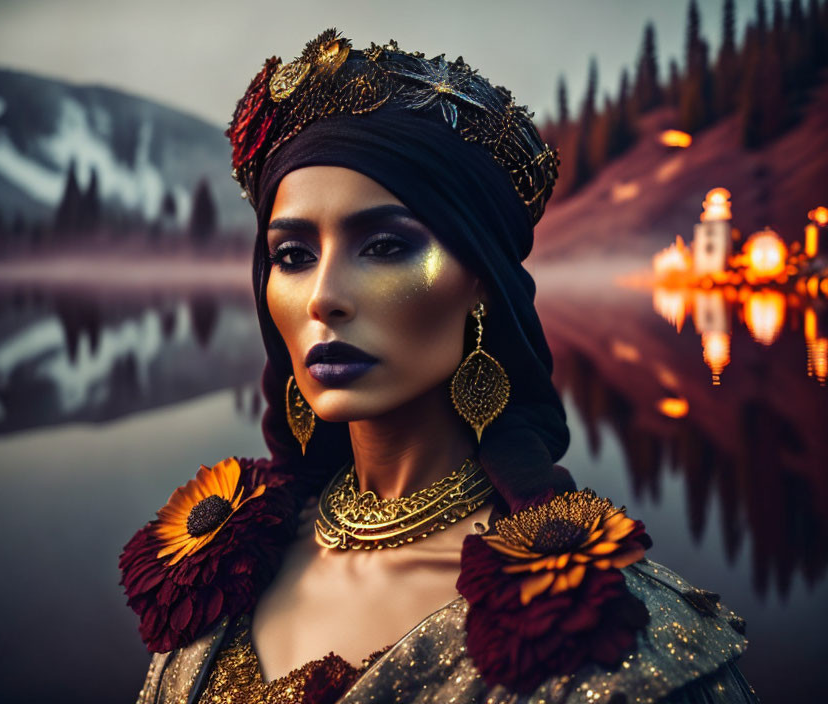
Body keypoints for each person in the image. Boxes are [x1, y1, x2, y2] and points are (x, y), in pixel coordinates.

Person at [120, 29, 757, 704]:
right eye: (293, 255)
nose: (324, 297)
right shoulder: (219, 565)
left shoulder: (620, 643)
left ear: (481, 280)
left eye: (387, 245)